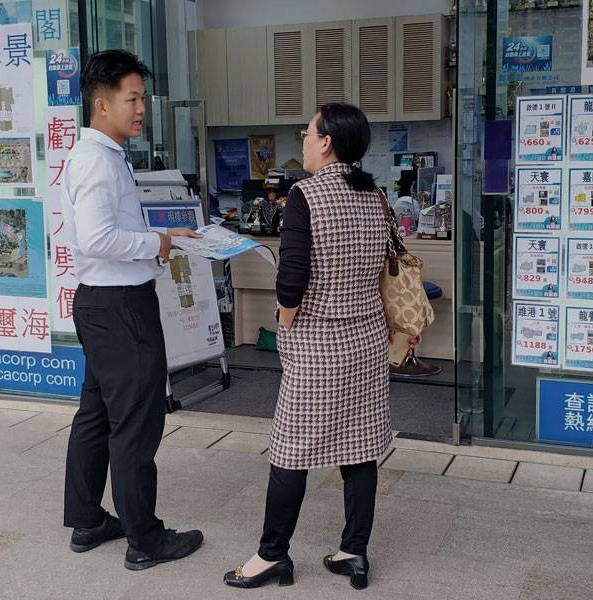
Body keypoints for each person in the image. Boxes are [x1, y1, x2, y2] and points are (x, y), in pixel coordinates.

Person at [223, 103, 391, 591]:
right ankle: (353, 553)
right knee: (360, 449)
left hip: (319, 342)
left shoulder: (306, 194)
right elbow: (382, 268)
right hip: (366, 339)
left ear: (327, 142)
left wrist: (284, 320)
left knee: (290, 451)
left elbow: (292, 279)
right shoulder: (376, 196)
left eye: (308, 132)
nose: (303, 139)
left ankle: (272, 555)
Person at [60, 49, 203, 571]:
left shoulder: (98, 154)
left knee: (96, 415)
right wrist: (156, 244)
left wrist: (165, 236)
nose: (142, 108)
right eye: (133, 98)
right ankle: (145, 539)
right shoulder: (98, 160)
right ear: (102, 104)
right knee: (135, 425)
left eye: (142, 98)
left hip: (101, 304)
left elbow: (106, 232)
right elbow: (98, 238)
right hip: (121, 308)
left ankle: (88, 520)